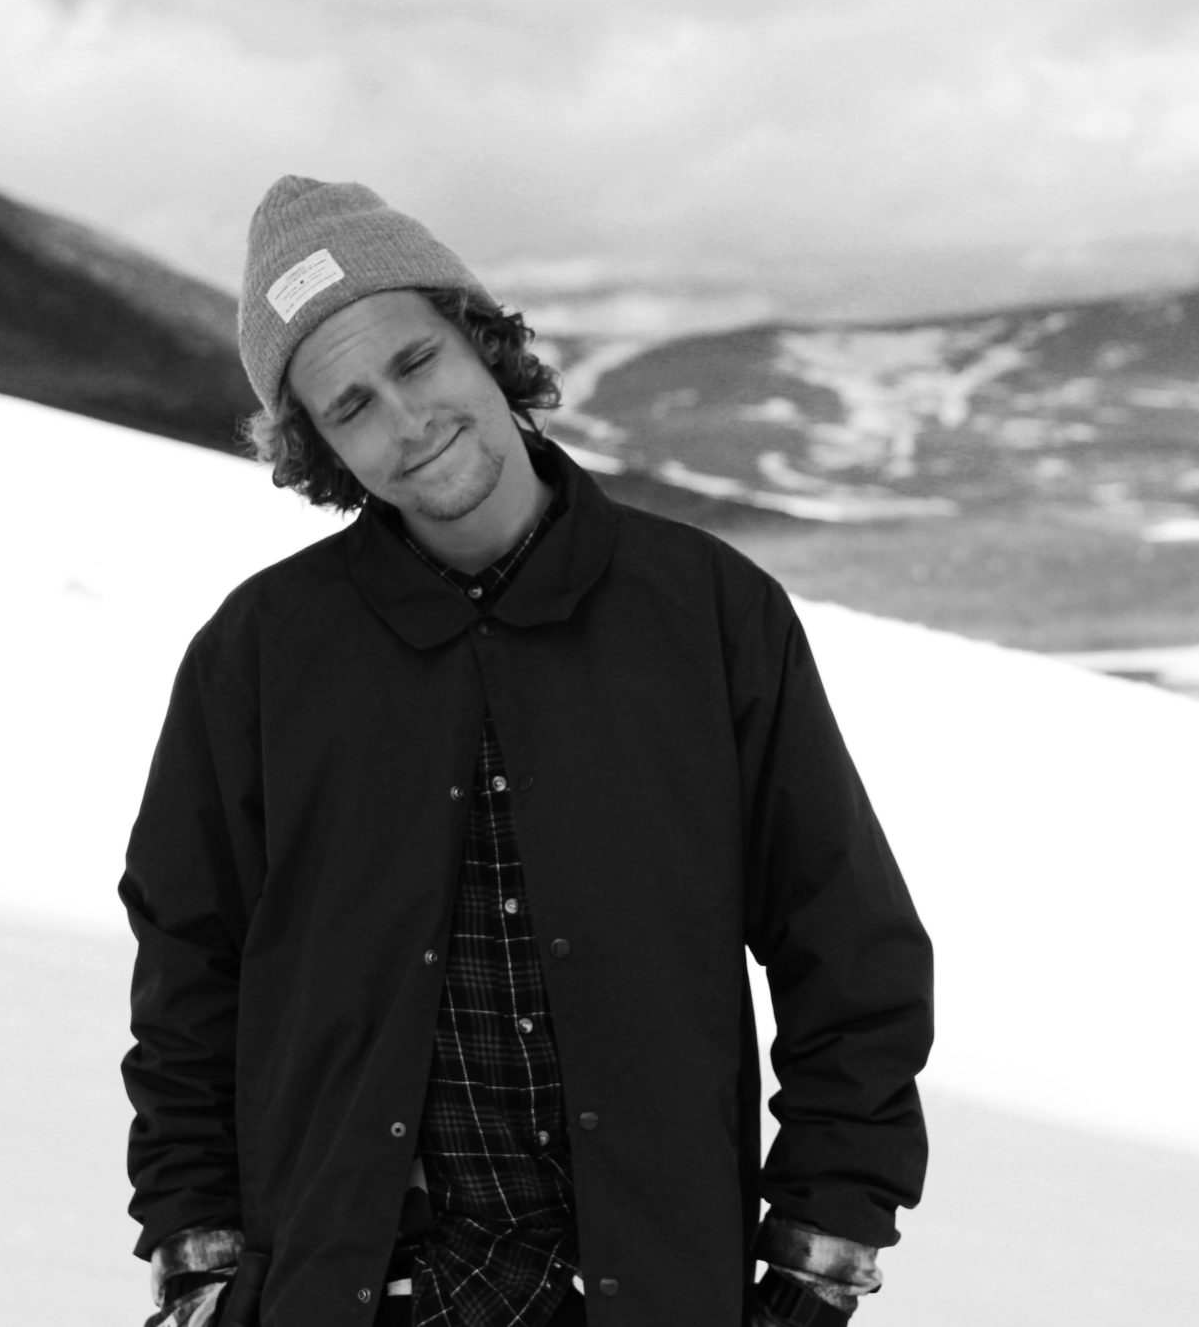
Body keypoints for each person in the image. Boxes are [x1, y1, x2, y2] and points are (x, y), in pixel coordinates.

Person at [119, 176, 933, 1327]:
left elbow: (846, 953)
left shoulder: (707, 612)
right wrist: (196, 1258)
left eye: (416, 362)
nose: (408, 422)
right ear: (320, 451)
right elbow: (186, 979)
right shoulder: (259, 653)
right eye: (350, 408)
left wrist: (821, 1254)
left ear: (481, 341)